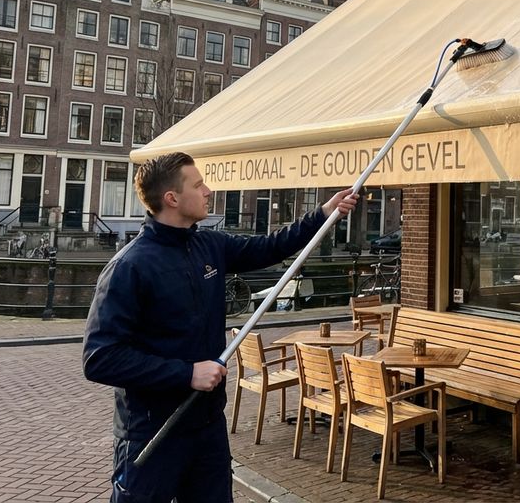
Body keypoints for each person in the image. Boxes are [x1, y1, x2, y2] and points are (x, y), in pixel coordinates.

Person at [82, 152, 358, 502]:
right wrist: (186, 374)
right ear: (172, 198)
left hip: (207, 427)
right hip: (152, 432)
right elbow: (100, 358)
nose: (208, 191)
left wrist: (322, 215)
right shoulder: (129, 267)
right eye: (198, 185)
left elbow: (272, 246)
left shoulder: (209, 245)